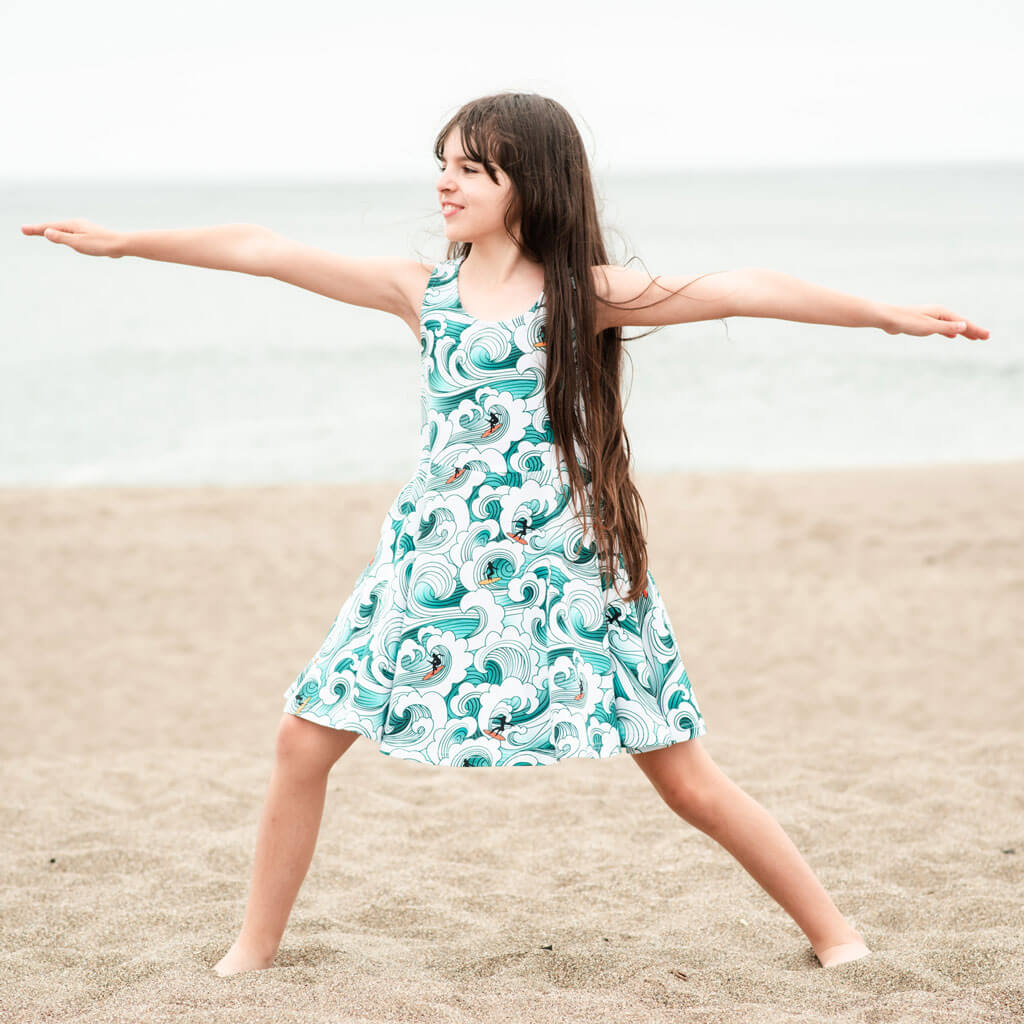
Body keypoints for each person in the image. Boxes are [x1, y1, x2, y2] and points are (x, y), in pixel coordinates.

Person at [21, 91, 988, 980]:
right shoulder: (420, 289)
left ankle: (838, 937)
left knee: (682, 771)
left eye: (473, 167)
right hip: (431, 555)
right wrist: (125, 243)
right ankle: (251, 954)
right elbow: (261, 246)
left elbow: (739, 288)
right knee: (301, 741)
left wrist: (883, 317)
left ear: (532, 182)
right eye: (442, 161)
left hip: (563, 563)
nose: (445, 180)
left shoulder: (585, 293)